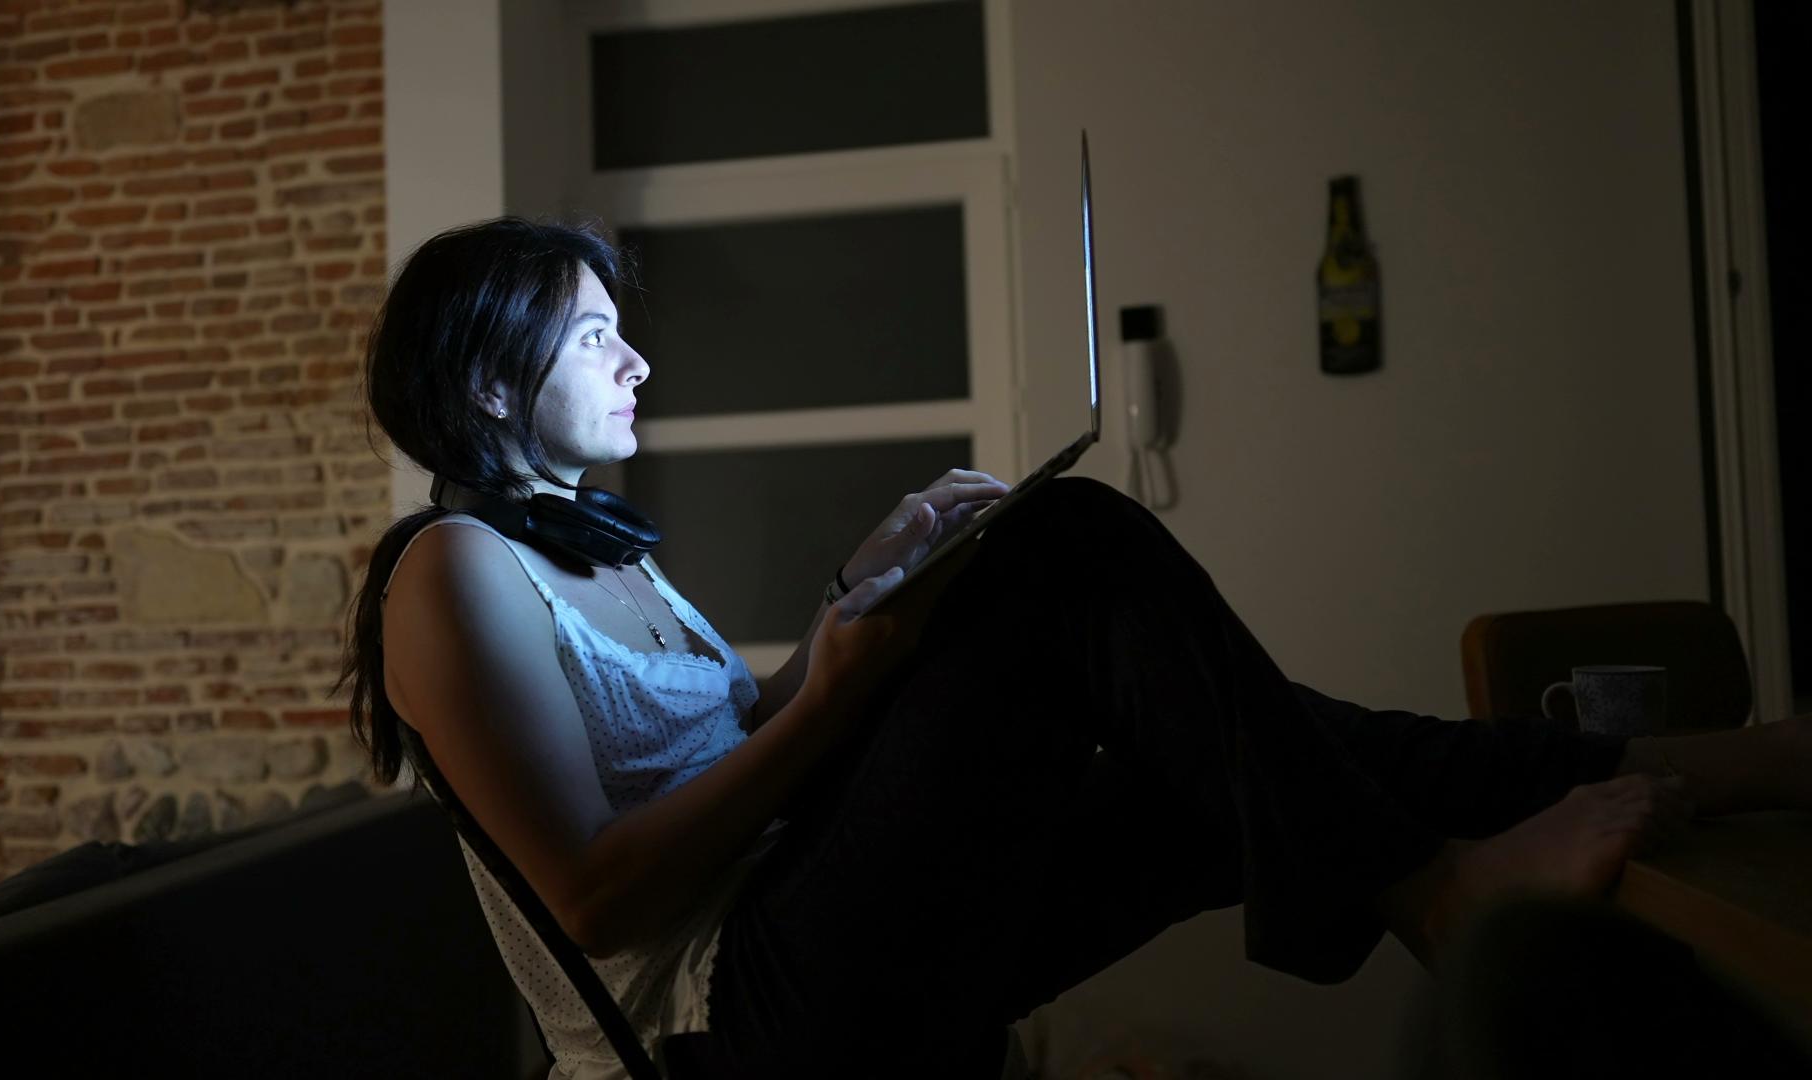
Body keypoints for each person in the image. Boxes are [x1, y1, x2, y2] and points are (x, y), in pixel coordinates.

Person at [340, 217, 1812, 1079]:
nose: (638, 358)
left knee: (1214, 756)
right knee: (1063, 553)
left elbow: (730, 760)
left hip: (796, 935)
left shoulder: (592, 552)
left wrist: (861, 597)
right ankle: (1444, 883)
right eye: (598, 336)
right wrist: (842, 690)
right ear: (487, 370)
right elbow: (598, 898)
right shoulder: (452, 572)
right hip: (738, 1031)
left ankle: (1689, 775)